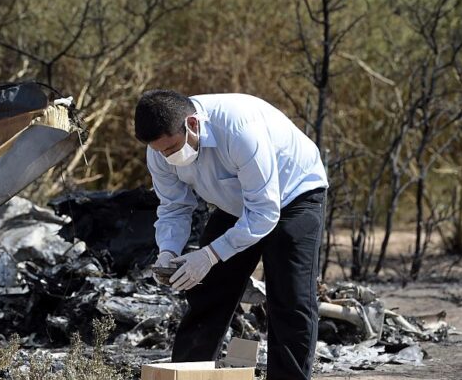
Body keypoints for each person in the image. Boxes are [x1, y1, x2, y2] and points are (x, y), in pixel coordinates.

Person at [135, 89, 328, 380]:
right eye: (162, 151)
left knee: (289, 299)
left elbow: (264, 213)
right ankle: (186, 375)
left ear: (192, 124)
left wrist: (210, 254)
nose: (169, 157)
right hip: (235, 202)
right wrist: (168, 251)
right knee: (209, 290)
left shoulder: (240, 130)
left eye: (173, 147)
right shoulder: (159, 151)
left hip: (293, 196)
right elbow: (175, 207)